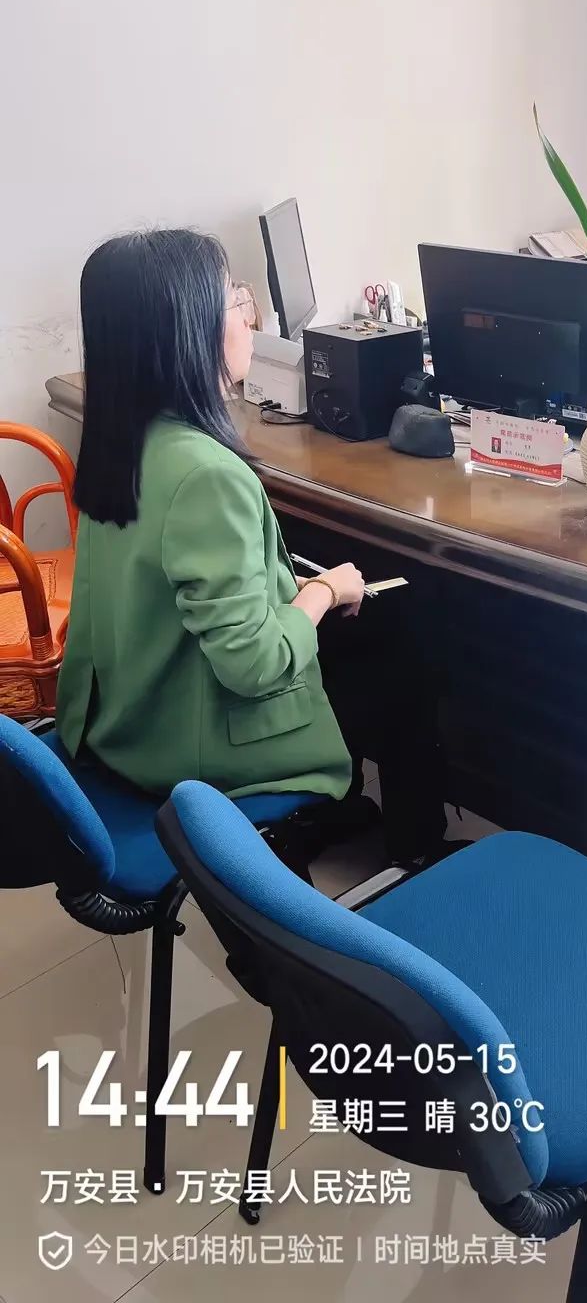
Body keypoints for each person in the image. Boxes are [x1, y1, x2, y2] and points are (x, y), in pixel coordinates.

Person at [56, 228, 446, 862]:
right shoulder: (207, 475)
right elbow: (254, 665)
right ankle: (417, 853)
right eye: (236, 299)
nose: (249, 318)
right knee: (402, 659)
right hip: (184, 758)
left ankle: (337, 813)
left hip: (120, 723)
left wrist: (295, 589)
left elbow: (177, 589)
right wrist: (325, 590)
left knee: (367, 641)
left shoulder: (119, 441)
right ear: (193, 331)